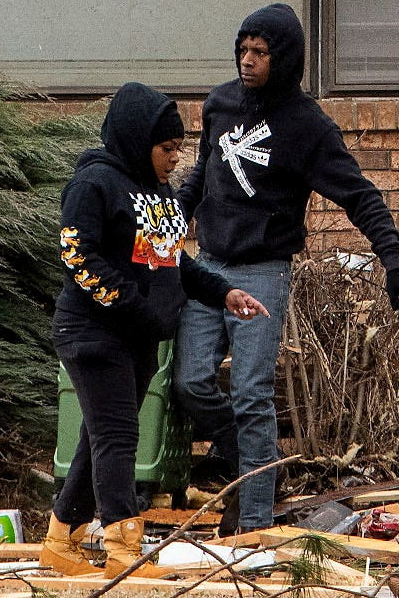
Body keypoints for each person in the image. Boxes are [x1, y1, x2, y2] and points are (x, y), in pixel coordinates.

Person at [176, 4, 399, 536]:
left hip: (263, 271)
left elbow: (361, 197)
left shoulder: (307, 127)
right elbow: (203, 173)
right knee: (190, 381)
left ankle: (256, 524)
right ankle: (247, 456)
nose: (247, 60)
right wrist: (170, 219)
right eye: (242, 49)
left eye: (259, 53)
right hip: (209, 265)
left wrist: (394, 262)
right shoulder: (219, 104)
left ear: (282, 58)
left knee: (250, 394)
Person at [44, 83, 267, 580]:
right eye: (167, 149)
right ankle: (124, 547)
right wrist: (137, 308)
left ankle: (62, 538)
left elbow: (173, 264)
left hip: (137, 337)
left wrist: (224, 293)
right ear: (137, 138)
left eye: (178, 150)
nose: (174, 159)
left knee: (98, 437)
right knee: (119, 434)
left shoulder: (158, 193)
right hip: (94, 333)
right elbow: (79, 257)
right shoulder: (94, 185)